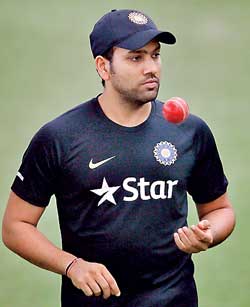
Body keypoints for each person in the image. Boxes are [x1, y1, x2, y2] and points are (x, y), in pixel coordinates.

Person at [2, 9, 235, 307]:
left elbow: (220, 209)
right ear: (103, 67)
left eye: (155, 55)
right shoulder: (59, 137)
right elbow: (15, 226)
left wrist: (209, 232)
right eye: (136, 58)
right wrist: (71, 265)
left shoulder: (190, 131)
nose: (151, 67)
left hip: (175, 299)